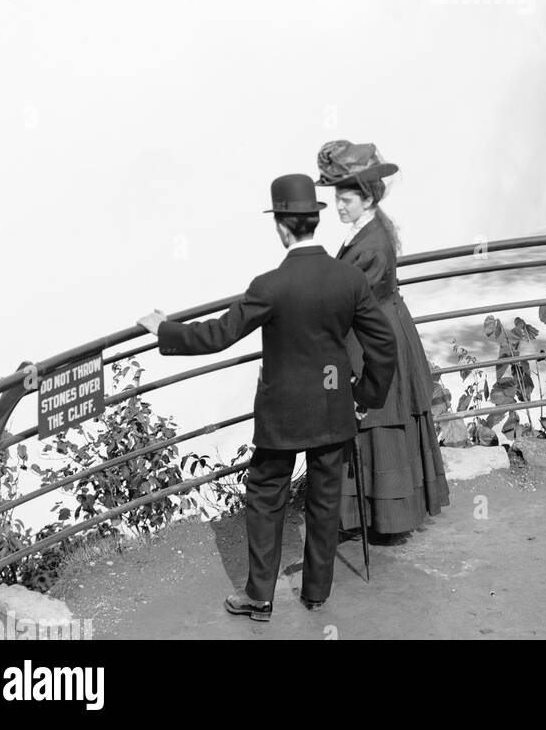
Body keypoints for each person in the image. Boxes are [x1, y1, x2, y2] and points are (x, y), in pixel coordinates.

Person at [136, 173, 397, 621]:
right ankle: (316, 591)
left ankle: (259, 595)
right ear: (314, 220)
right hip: (334, 405)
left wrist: (165, 330)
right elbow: (384, 346)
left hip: (282, 416)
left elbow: (218, 335)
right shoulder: (348, 278)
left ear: (280, 226)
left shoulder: (269, 285)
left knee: (264, 494)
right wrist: (363, 395)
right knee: (324, 495)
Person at [316, 140, 450, 538]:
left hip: (372, 334)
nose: (339, 206)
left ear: (367, 197)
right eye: (337, 198)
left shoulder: (370, 242)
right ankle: (377, 516)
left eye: (347, 199)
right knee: (382, 419)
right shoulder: (370, 228)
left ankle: (384, 519)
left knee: (379, 418)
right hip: (383, 324)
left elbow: (349, 300)